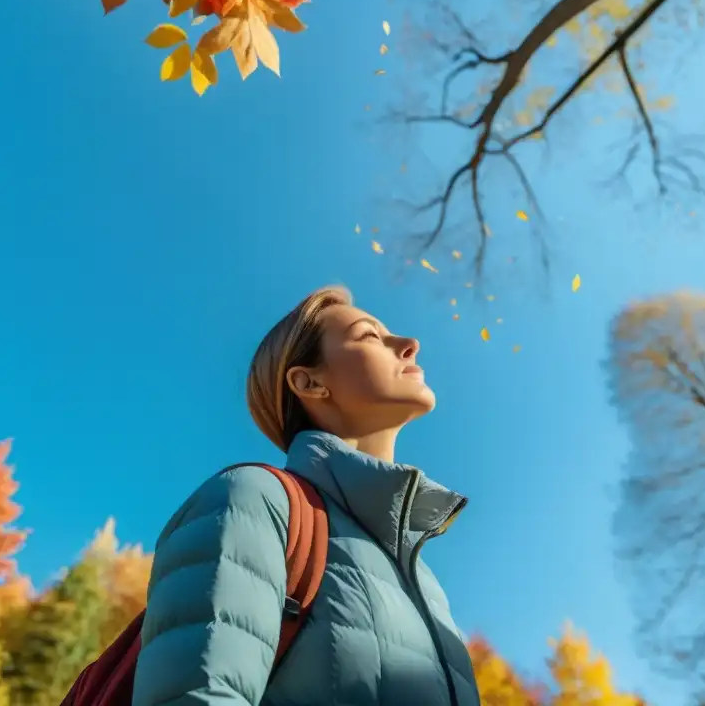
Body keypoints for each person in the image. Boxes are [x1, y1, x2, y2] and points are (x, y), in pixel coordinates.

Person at [132, 286, 481, 706]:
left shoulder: (427, 584)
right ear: (309, 382)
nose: (409, 346)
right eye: (370, 336)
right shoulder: (255, 500)